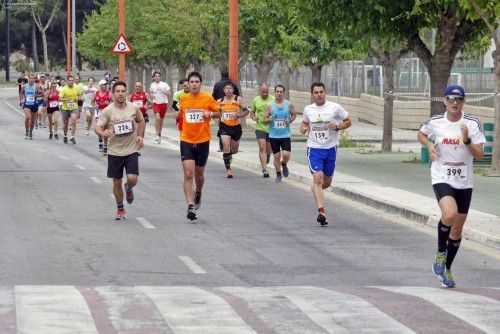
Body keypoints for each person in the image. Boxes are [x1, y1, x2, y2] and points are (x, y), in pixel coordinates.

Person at [417, 85, 485, 288]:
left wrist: (466, 141)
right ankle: (440, 252)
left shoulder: (472, 123)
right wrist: (429, 145)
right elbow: (421, 134)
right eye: (451, 99)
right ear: (444, 101)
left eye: (459, 100)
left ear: (464, 102)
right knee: (449, 214)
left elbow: (479, 154)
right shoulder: (436, 122)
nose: (455, 103)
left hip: (464, 181)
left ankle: (446, 268)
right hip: (441, 175)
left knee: (456, 231)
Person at [300, 82, 352, 226]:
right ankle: (321, 212)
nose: (319, 95)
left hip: (330, 148)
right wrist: (303, 128)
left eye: (321, 92)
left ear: (325, 92)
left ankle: (316, 189)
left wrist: (337, 126)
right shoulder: (308, 109)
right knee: (318, 177)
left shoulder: (334, 108)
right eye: (316, 92)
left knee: (326, 182)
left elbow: (348, 121)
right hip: (314, 148)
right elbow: (304, 123)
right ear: (312, 94)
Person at [95, 81, 145, 220]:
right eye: (118, 91)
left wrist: (140, 136)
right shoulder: (108, 110)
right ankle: (120, 208)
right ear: (113, 94)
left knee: (132, 178)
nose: (121, 94)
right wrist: (103, 133)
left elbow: (141, 121)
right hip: (114, 151)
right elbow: (98, 127)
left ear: (126, 93)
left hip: (131, 149)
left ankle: (128, 188)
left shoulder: (133, 108)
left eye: (123, 91)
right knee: (116, 182)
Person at [178, 71, 220, 220]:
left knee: (199, 175)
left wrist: (210, 114)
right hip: (187, 140)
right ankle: (190, 206)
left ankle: (198, 193)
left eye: (197, 82)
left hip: (203, 140)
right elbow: (180, 114)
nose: (194, 84)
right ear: (188, 84)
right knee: (188, 174)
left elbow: (219, 112)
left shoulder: (207, 98)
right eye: (192, 82)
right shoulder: (183, 98)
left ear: (200, 84)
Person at [263, 84, 297, 183]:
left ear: (284, 93)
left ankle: (284, 164)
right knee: (276, 156)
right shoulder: (269, 105)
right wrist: (268, 119)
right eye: (277, 91)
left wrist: (289, 120)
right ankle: (278, 174)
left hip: (285, 134)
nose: (279, 93)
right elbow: (264, 119)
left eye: (281, 92)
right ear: (274, 93)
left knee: (286, 154)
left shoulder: (289, 104)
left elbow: (294, 114)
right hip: (274, 135)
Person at [217, 81, 249, 178]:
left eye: (230, 88)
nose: (228, 90)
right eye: (226, 88)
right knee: (226, 147)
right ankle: (228, 170)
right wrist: (217, 120)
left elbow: (247, 111)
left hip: (236, 126)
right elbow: (216, 113)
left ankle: (229, 155)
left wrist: (238, 115)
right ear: (223, 90)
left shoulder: (238, 99)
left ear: (233, 90)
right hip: (224, 126)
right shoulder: (219, 101)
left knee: (234, 150)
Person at [250, 83, 274, 178]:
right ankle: (264, 169)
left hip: (271, 128)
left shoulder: (273, 99)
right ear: (260, 90)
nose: (265, 93)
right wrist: (254, 117)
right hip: (260, 127)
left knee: (269, 149)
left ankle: (268, 155)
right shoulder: (256, 99)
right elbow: (252, 112)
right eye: (263, 91)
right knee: (262, 148)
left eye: (266, 92)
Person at [212, 70, 240, 152]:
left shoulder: (217, 84)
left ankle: (222, 146)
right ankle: (227, 146)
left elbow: (213, 97)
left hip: (221, 109)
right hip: (232, 109)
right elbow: (237, 96)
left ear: (221, 75)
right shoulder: (233, 84)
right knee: (226, 128)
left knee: (222, 126)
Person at [149, 71, 171, 143]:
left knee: (161, 120)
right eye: (156, 76)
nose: (157, 77)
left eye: (158, 76)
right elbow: (151, 93)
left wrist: (163, 91)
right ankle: (157, 135)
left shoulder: (164, 84)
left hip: (163, 103)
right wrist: (152, 96)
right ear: (154, 77)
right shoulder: (152, 85)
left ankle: (159, 134)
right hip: (156, 103)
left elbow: (169, 93)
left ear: (160, 77)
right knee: (157, 118)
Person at [59, 75, 81, 144]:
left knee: (74, 120)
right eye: (70, 80)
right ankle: (65, 135)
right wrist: (66, 99)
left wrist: (78, 98)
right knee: (65, 125)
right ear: (67, 81)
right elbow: (59, 98)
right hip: (65, 109)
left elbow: (80, 95)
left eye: (72, 80)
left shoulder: (76, 88)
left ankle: (72, 136)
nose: (71, 82)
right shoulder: (63, 89)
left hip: (74, 108)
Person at [93, 79, 113, 154]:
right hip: (98, 112)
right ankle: (100, 141)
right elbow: (92, 101)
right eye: (104, 84)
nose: (105, 86)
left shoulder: (109, 94)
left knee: (105, 129)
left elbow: (114, 103)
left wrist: (109, 103)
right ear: (100, 85)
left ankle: (105, 146)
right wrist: (94, 105)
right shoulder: (96, 93)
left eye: (106, 84)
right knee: (99, 128)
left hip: (106, 113)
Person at [19, 74, 40, 140]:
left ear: (34, 79)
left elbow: (40, 94)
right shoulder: (24, 86)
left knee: (33, 120)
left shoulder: (37, 86)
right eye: (30, 78)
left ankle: (30, 132)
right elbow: (21, 93)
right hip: (27, 104)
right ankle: (27, 131)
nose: (31, 79)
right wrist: (21, 100)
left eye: (33, 78)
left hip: (34, 104)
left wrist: (36, 96)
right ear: (28, 79)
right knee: (28, 117)